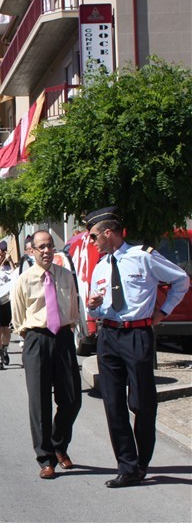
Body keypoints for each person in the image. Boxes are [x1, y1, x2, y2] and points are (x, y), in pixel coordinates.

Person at [85, 207, 189, 488]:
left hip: (137, 335)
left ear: (108, 233)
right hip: (109, 336)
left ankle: (142, 460)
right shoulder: (100, 267)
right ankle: (127, 466)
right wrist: (93, 307)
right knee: (113, 403)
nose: (92, 241)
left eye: (94, 235)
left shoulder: (143, 256)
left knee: (142, 403)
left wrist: (163, 311)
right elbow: (98, 307)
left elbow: (181, 280)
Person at [10, 230, 80, 480]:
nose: (47, 251)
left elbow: (73, 307)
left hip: (62, 337)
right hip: (37, 339)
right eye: (41, 247)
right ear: (32, 251)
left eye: (50, 246)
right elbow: (17, 316)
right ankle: (46, 458)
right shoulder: (23, 280)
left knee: (72, 399)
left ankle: (59, 443)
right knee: (40, 402)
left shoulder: (65, 275)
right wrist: (29, 337)